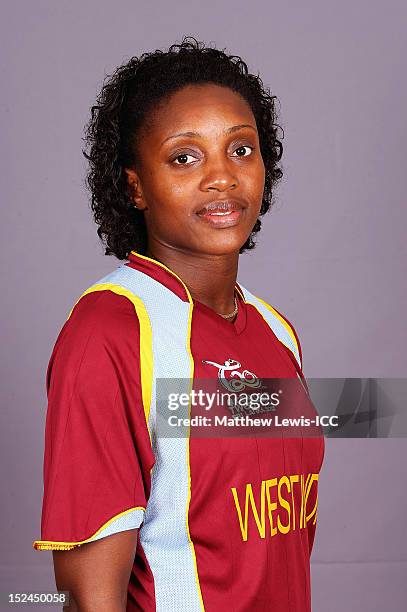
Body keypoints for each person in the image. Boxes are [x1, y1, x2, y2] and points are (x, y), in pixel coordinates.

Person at [33, 37, 325, 612]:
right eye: (185, 156)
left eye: (241, 149)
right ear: (135, 185)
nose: (222, 177)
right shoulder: (112, 331)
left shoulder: (276, 331)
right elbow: (89, 600)